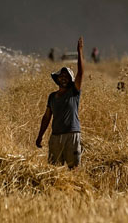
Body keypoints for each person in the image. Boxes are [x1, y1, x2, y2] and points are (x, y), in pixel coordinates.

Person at [36, 36, 85, 168]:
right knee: (54, 170)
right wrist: (40, 136)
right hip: (56, 137)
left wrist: (80, 52)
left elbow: (81, 72)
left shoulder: (74, 92)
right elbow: (46, 117)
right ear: (57, 80)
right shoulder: (52, 97)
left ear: (70, 80)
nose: (63, 78)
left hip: (72, 135)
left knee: (74, 169)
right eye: (61, 76)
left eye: (66, 77)